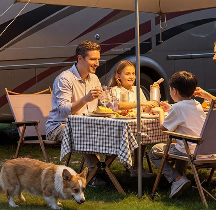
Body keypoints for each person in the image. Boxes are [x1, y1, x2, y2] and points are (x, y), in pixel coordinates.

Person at [148, 71, 216, 197]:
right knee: (181, 145)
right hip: (203, 148)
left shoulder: (177, 108)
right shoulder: (196, 104)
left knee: (154, 151)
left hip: (189, 150)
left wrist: (160, 111)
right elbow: (184, 113)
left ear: (174, 91)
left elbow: (163, 127)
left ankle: (177, 179)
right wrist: (170, 108)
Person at [45, 40, 103, 173]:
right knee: (82, 131)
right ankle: (97, 172)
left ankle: (101, 170)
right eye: (93, 59)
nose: (97, 63)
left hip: (86, 124)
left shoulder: (94, 79)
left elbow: (101, 105)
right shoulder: (65, 79)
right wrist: (85, 99)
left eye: (98, 59)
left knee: (110, 130)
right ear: (80, 58)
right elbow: (63, 111)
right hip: (59, 126)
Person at [107, 60, 159, 178]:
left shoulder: (137, 90)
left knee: (143, 131)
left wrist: (153, 99)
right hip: (118, 126)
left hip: (135, 124)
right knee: (139, 132)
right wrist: (139, 104)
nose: (131, 76)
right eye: (128, 74)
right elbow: (118, 105)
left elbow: (145, 109)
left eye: (133, 73)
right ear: (118, 76)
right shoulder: (115, 90)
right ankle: (106, 168)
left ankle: (137, 167)